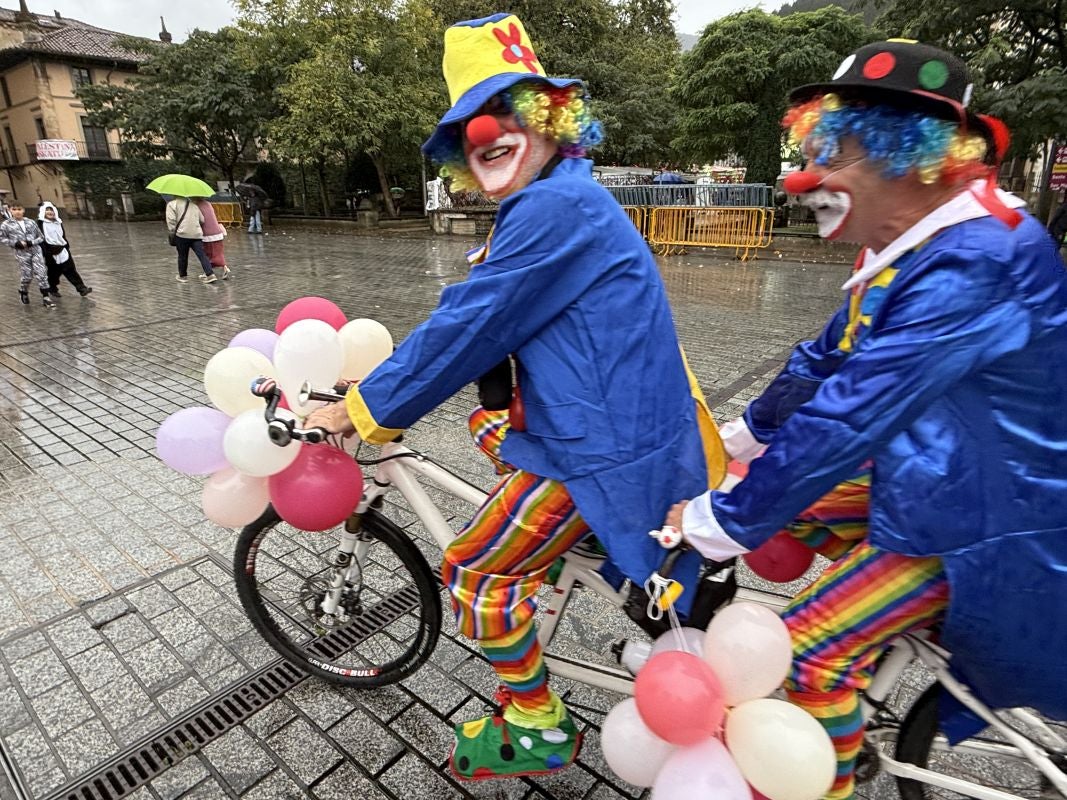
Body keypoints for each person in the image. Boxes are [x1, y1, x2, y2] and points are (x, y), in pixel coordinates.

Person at [305, 13, 724, 781]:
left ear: (547, 120)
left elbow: (473, 320)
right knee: (482, 422)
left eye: (504, 114)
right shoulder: (560, 195)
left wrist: (359, 411)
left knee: (473, 568)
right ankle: (596, 564)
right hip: (614, 421)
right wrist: (393, 381)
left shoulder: (554, 207)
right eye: (468, 130)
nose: (484, 135)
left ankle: (534, 722)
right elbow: (491, 316)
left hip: (600, 449)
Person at [663, 41, 1067, 800]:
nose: (806, 178)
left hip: (991, 513)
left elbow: (848, 417)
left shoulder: (977, 259)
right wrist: (741, 440)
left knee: (810, 647)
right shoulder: (909, 243)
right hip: (941, 468)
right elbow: (823, 361)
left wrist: (720, 520)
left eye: (834, 156)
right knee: (784, 512)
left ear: (902, 158)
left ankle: (828, 776)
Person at [1, 203, 54, 307]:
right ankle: (23, 291)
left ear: (23, 210)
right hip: (21, 253)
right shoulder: (6, 224)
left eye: (19, 209)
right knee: (27, 275)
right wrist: (15, 243)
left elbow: (41, 237)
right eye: (14, 209)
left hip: (35, 250)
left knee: (41, 272)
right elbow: (2, 238)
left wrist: (31, 242)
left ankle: (46, 297)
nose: (17, 211)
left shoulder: (31, 222)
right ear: (10, 210)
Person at [37, 202, 92, 298]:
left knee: (70, 269)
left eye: (52, 210)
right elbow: (39, 238)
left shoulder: (58, 222)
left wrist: (66, 246)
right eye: (47, 210)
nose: (50, 212)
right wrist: (44, 252)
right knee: (54, 273)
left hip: (62, 249)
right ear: (43, 212)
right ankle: (52, 288)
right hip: (50, 251)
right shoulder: (40, 224)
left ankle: (81, 288)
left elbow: (62, 236)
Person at [165, 195, 216, 283]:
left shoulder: (172, 204)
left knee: (182, 256)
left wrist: (173, 231)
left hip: (181, 234)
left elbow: (171, 221)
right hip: (196, 234)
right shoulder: (193, 205)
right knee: (202, 255)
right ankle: (210, 274)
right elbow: (202, 220)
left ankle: (183, 276)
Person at [195, 198, 232, 280]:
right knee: (218, 253)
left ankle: (207, 272)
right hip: (218, 232)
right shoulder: (208, 204)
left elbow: (201, 220)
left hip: (207, 234)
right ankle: (225, 267)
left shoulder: (196, 206)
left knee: (207, 254)